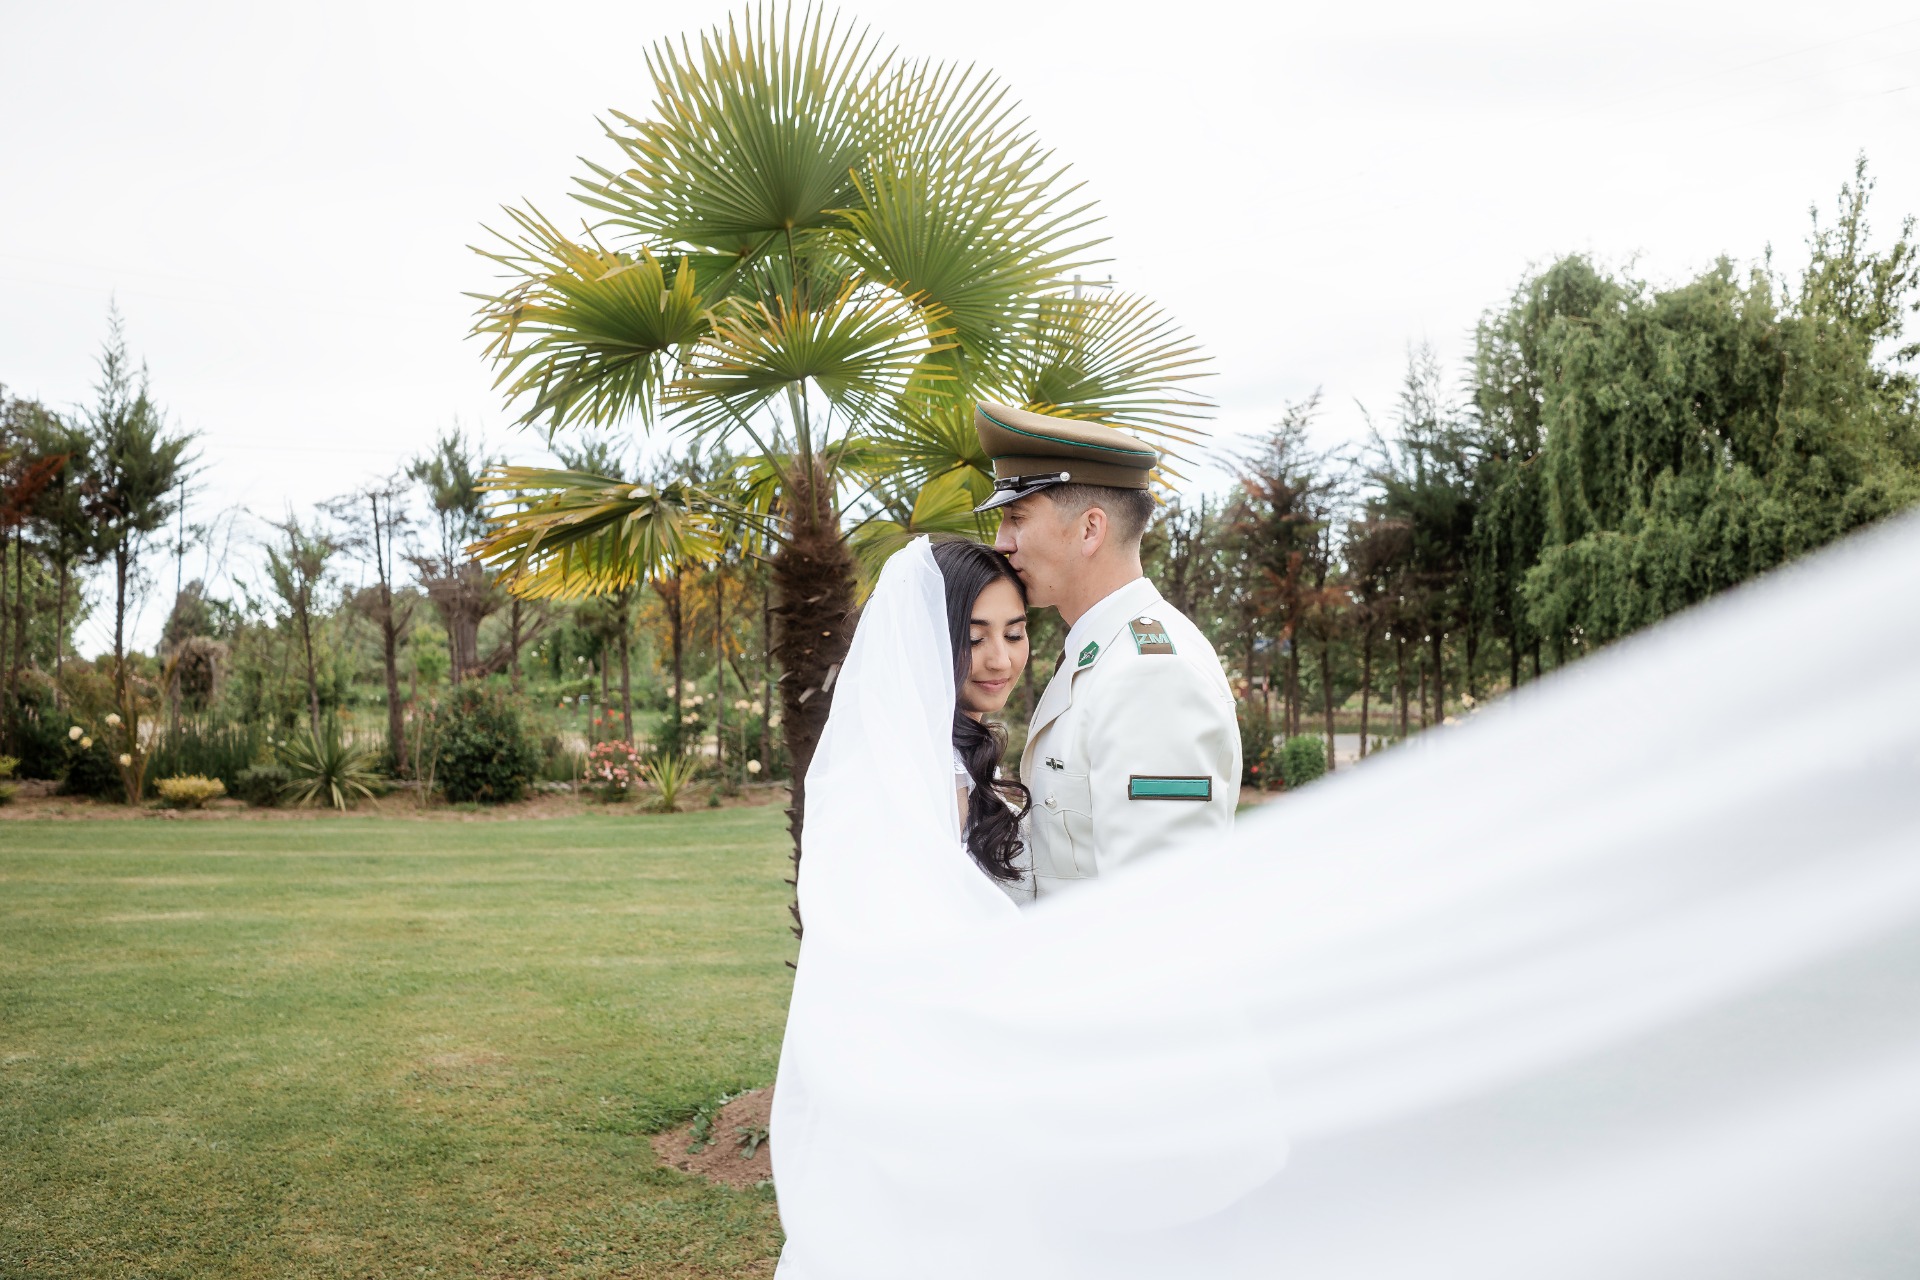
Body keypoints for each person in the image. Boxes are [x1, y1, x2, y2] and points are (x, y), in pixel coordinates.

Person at [973, 400, 1240, 899]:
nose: (1002, 541)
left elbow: (1159, 904)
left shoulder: (1151, 676)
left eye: (1016, 517)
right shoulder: (1104, 653)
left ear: (1090, 530)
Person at [928, 538, 1034, 903]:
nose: (1001, 660)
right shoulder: (941, 774)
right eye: (974, 639)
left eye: (1014, 634)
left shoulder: (963, 756)